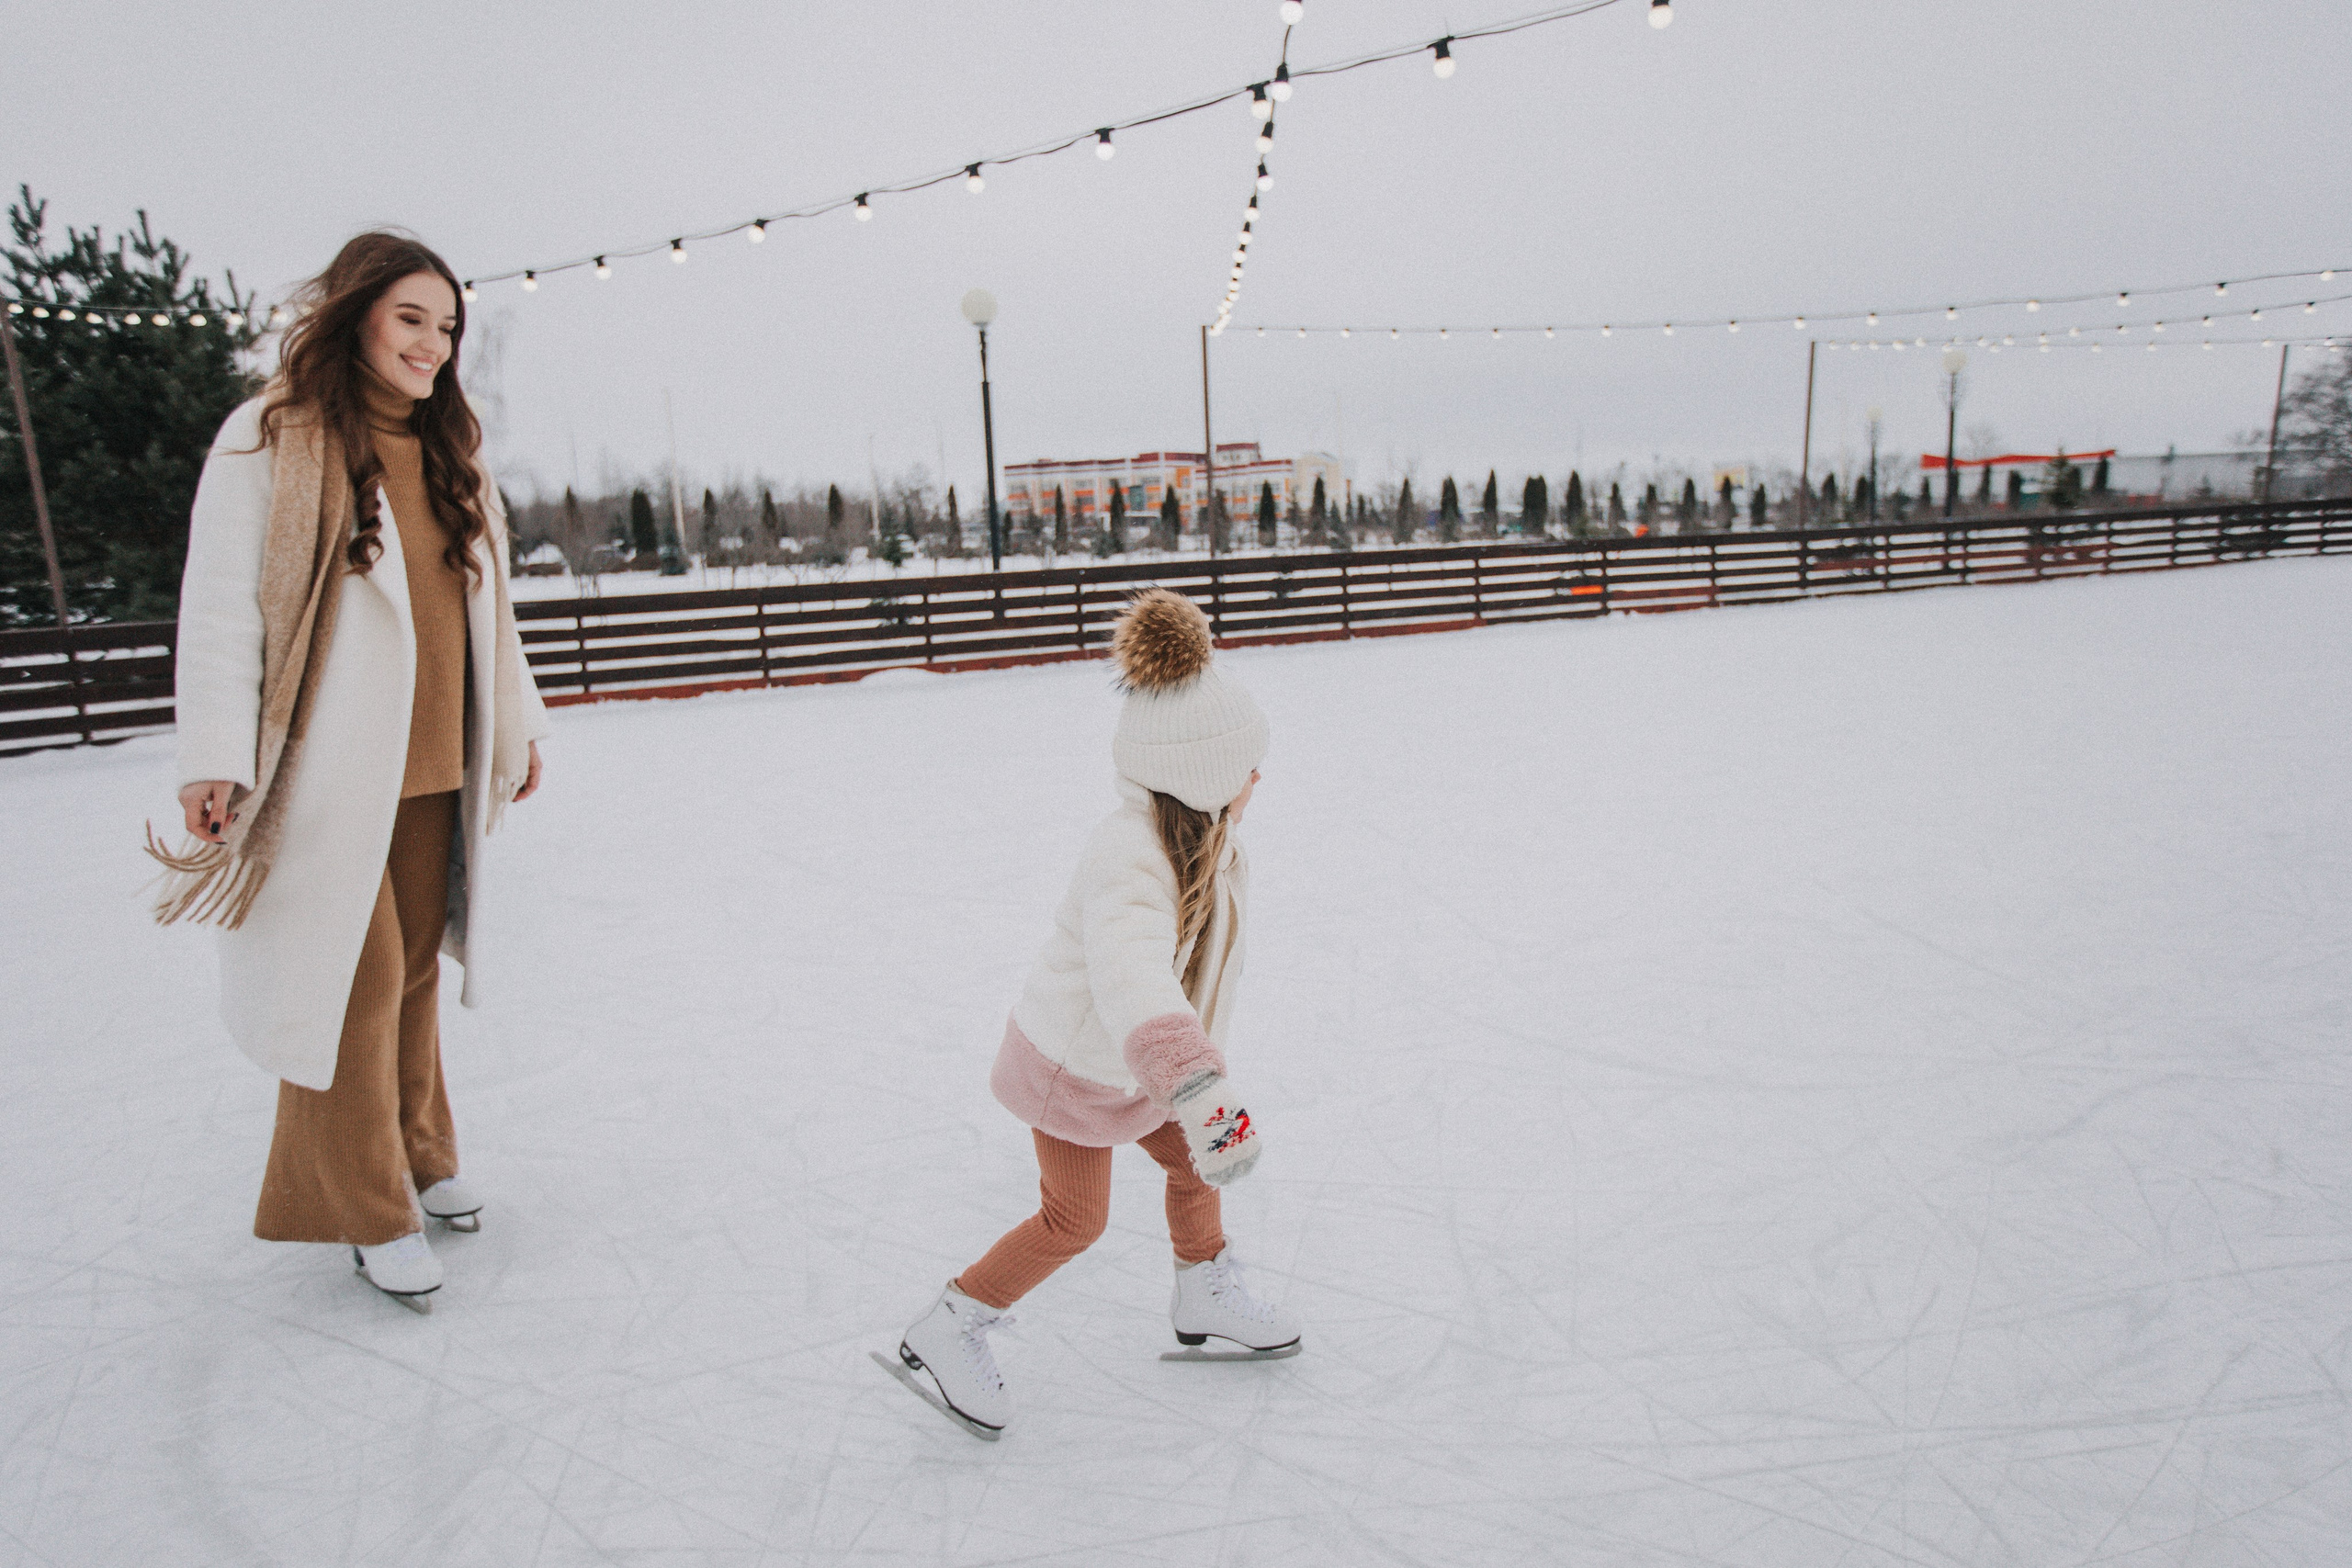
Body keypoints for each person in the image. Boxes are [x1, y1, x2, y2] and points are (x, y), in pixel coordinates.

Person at [151, 231, 550, 1312]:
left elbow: (492, 612)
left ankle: (422, 1150)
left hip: (434, 760)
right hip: (322, 768)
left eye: (447, 326)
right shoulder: (271, 439)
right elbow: (222, 603)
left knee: (414, 969)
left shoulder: (449, 447)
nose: (432, 343)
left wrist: (515, 728)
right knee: (353, 980)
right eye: (411, 318)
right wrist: (214, 758)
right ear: (358, 315)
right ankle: (368, 1209)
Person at [893, 589, 1301, 1438]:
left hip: (1136, 1070)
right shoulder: (1132, 855)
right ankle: (952, 1322)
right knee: (1074, 1218)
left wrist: (1192, 1097)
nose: (1259, 778)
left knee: (1192, 1161)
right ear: (1201, 776)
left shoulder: (1205, 841)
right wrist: (1204, 1092)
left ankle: (1203, 1287)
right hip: (1075, 1072)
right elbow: (1136, 985)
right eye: (1246, 766)